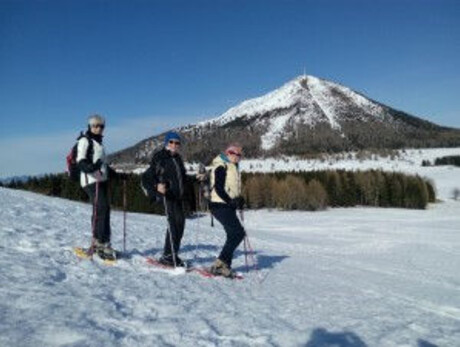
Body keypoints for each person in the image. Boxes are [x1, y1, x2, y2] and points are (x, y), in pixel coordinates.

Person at [141, 131, 201, 267]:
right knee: (173, 225)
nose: (174, 145)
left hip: (178, 197)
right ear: (166, 143)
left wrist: (196, 179)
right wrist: (157, 186)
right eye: (171, 142)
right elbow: (147, 177)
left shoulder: (177, 159)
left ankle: (172, 254)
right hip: (168, 196)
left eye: (177, 142)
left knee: (180, 224)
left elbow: (183, 179)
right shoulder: (160, 157)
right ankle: (168, 256)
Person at [77, 114, 121, 260]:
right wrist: (91, 168)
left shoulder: (99, 144)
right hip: (90, 180)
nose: (98, 128)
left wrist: (119, 175)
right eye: (95, 125)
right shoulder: (85, 141)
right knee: (100, 207)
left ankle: (104, 241)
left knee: (105, 208)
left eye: (101, 126)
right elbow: (81, 161)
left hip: (101, 180)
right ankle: (98, 242)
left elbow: (103, 166)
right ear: (90, 126)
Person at [208, 144, 246, 278]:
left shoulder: (233, 166)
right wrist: (231, 201)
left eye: (239, 155)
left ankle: (225, 266)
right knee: (238, 233)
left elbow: (232, 188)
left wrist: (239, 200)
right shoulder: (221, 165)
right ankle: (219, 264)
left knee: (233, 234)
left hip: (227, 205)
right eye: (233, 153)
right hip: (219, 205)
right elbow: (218, 188)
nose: (236, 157)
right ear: (227, 153)